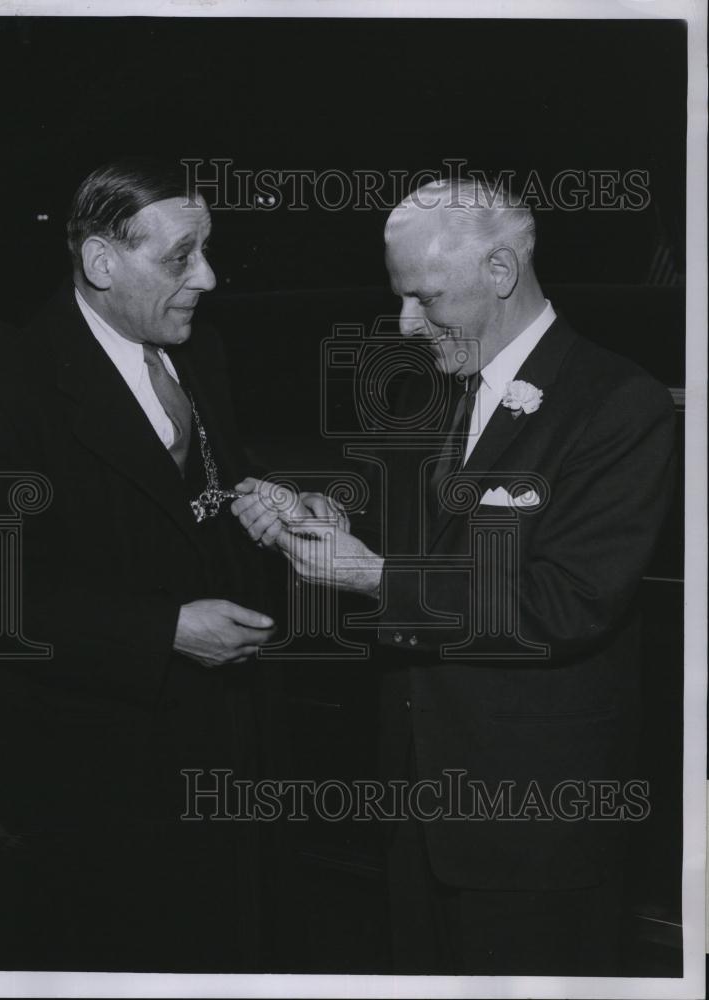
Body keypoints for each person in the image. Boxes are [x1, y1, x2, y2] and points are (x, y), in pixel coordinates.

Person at [231, 178, 676, 975]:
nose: (407, 324)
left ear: (501, 269)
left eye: (425, 298)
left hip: (532, 819)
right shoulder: (434, 388)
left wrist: (375, 577)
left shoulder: (619, 405)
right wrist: (327, 518)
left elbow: (566, 603)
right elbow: (422, 544)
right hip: (416, 800)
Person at [0, 158, 276, 971]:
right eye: (181, 257)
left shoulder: (201, 351)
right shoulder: (7, 379)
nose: (210, 277)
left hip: (223, 733)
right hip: (95, 761)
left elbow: (200, 496)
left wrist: (278, 509)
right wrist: (164, 631)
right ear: (99, 262)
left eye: (208, 251)